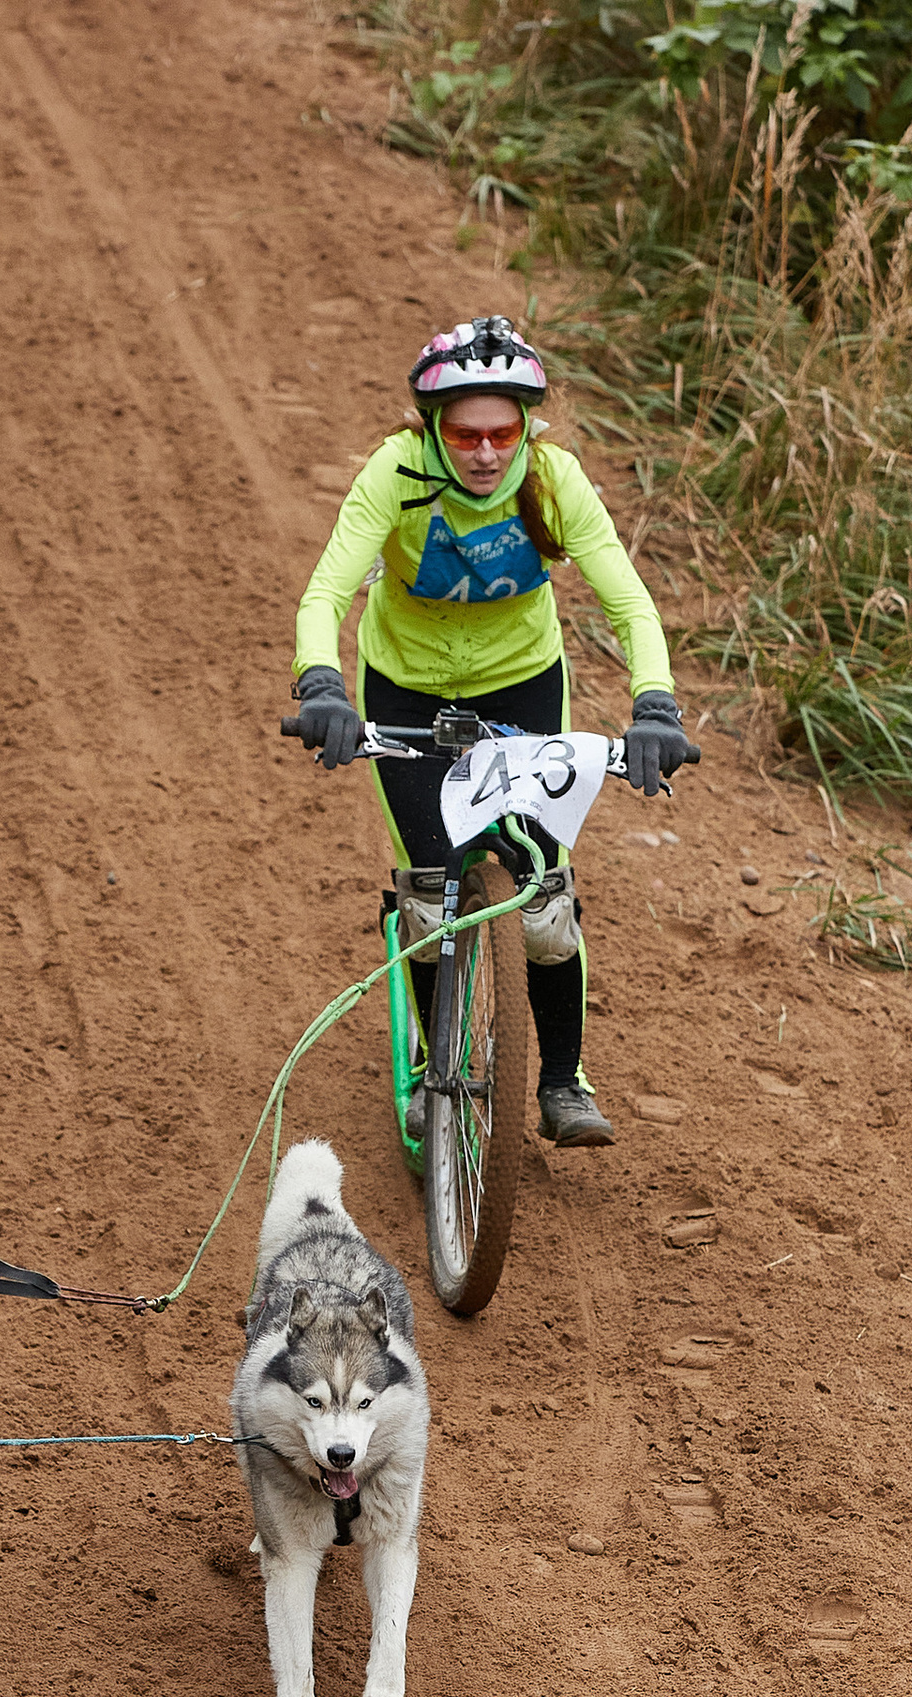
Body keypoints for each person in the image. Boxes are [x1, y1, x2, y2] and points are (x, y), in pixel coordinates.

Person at [289, 314, 696, 1147]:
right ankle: (436, 1073)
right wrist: (323, 686)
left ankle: (561, 1080)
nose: (484, 452)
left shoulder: (553, 481)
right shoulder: (395, 474)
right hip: (403, 683)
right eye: (465, 432)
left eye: (503, 432)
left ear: (526, 429)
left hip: (522, 680)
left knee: (543, 887)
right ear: (431, 427)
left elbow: (627, 600)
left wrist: (655, 703)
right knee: (435, 886)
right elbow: (326, 591)